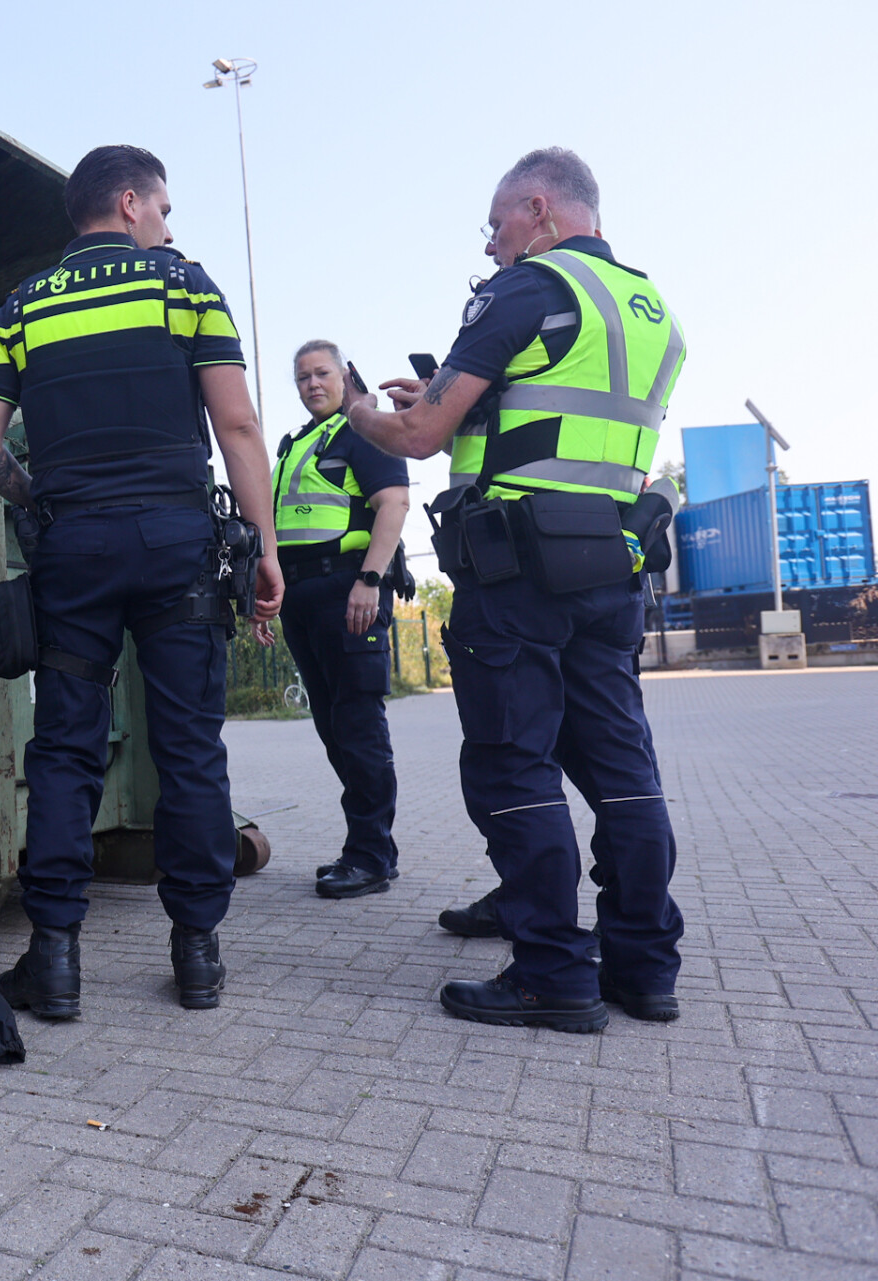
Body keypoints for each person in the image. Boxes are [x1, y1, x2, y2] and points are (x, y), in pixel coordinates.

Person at [344, 148, 685, 1032]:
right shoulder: (652, 311)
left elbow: (418, 437)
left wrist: (353, 408)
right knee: (622, 769)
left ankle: (550, 971)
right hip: (609, 569)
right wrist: (469, 400)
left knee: (512, 761)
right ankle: (644, 966)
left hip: (517, 572)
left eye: (496, 226)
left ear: (538, 210)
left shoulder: (527, 289)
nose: (491, 246)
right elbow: (569, 417)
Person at [0, 144, 284, 1017]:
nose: (169, 226)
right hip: (178, 541)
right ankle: (198, 955)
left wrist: (38, 500)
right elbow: (241, 427)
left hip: (75, 551)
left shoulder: (22, 307)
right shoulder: (183, 286)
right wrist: (266, 549)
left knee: (65, 747)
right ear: (131, 203)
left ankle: (55, 960)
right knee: (188, 747)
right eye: (165, 209)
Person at [263, 341, 410, 899]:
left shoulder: (365, 428)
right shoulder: (298, 443)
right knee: (334, 731)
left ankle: (370, 856)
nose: (311, 385)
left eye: (321, 373)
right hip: (303, 597)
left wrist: (370, 582)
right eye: (302, 378)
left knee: (359, 728)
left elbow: (393, 504)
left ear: (345, 374)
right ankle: (370, 847)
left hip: (349, 593)